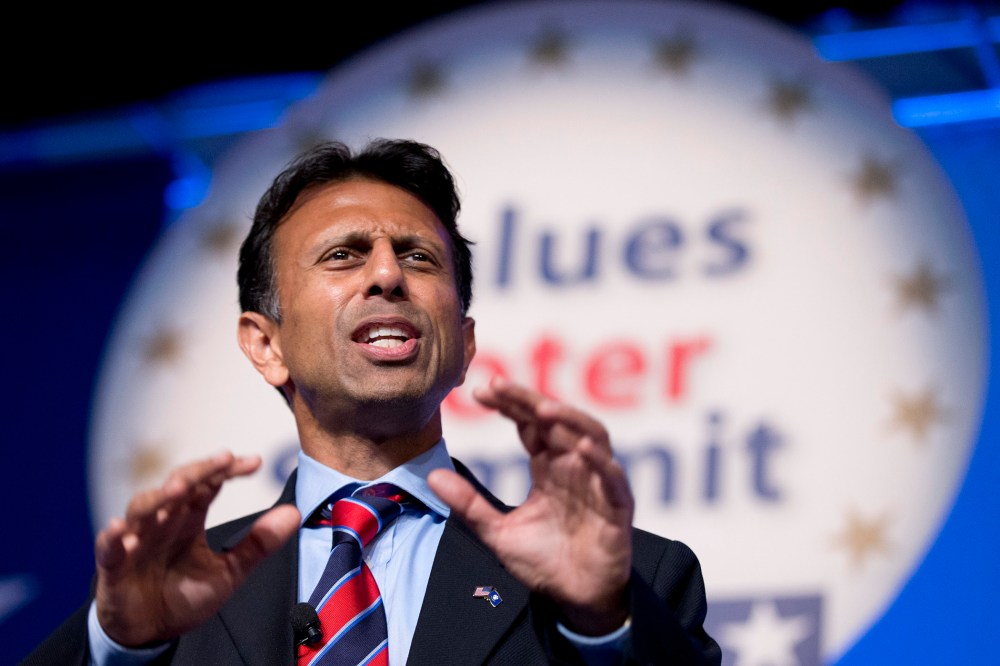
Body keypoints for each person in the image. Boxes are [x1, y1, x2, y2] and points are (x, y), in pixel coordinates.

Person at [24, 139, 721, 665]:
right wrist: (119, 648)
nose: (387, 274)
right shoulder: (167, 595)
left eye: (420, 258)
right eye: (343, 255)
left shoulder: (626, 582)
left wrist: (602, 621)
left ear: (464, 343)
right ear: (265, 344)